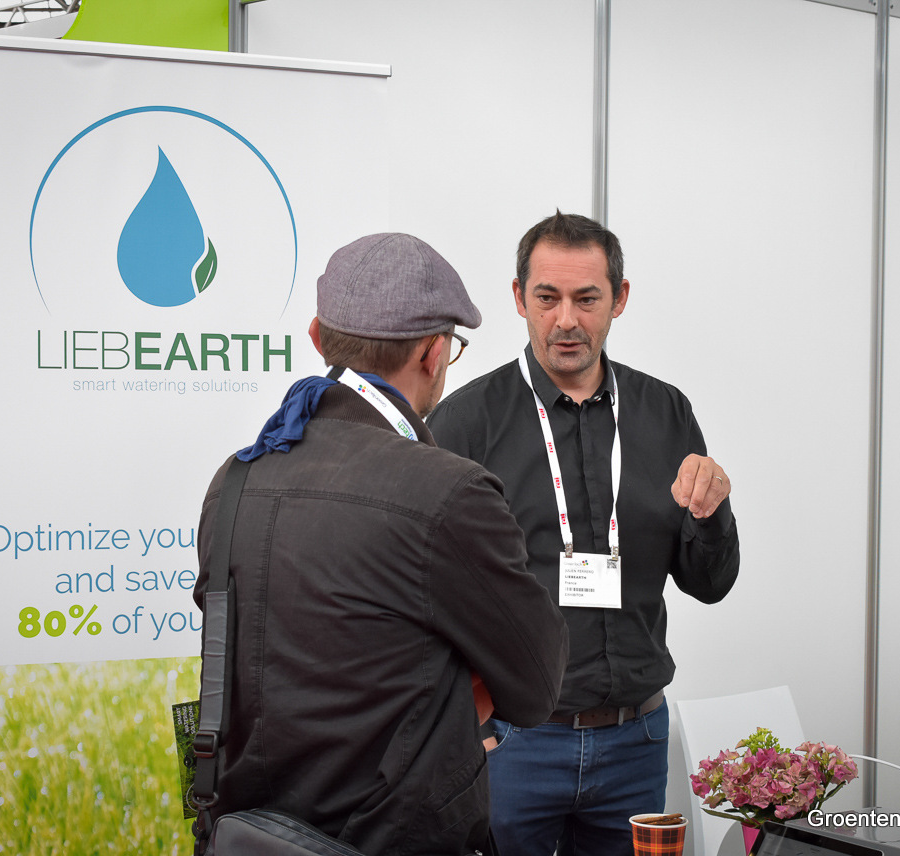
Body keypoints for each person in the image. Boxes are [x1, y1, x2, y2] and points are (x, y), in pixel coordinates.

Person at [193, 232, 569, 856]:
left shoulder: (233, 479)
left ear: (318, 338)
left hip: (249, 835)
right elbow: (535, 687)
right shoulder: (449, 490)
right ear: (433, 352)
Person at [427, 211, 741, 856]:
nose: (565, 320)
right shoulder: (464, 422)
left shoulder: (665, 412)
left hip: (636, 742)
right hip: (514, 744)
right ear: (519, 299)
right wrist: (468, 727)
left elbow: (709, 583)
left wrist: (712, 514)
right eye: (547, 298)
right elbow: (429, 593)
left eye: (586, 299)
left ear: (618, 299)